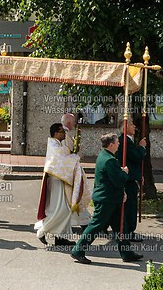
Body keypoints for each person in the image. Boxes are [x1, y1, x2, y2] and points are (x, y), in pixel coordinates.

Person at [71, 134, 144, 264]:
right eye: (117, 143)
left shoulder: (105, 156)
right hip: (107, 199)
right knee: (96, 225)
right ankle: (78, 250)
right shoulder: (109, 160)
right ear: (111, 145)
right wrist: (124, 172)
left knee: (121, 227)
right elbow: (118, 180)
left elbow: (111, 177)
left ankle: (126, 253)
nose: (119, 144)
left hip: (112, 199)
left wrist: (120, 176)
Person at [35, 123, 82, 246]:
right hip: (56, 180)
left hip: (62, 180)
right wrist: (75, 157)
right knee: (61, 210)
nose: (64, 134)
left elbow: (67, 154)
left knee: (64, 209)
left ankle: (60, 238)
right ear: (56, 133)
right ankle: (42, 231)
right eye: (62, 132)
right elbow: (61, 161)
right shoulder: (53, 145)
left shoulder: (59, 144)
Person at [116, 120, 146, 242]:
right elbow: (137, 157)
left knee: (128, 205)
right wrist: (142, 147)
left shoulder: (126, 140)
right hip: (128, 179)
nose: (134, 126)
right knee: (130, 206)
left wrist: (139, 175)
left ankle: (125, 230)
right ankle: (128, 231)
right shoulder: (125, 141)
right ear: (125, 127)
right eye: (131, 124)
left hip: (130, 177)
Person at [61, 113, 92, 230]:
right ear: (69, 123)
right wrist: (77, 156)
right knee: (74, 197)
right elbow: (66, 156)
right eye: (74, 122)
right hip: (69, 174)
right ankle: (84, 225)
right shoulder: (63, 136)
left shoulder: (65, 134)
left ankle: (83, 222)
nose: (75, 124)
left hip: (70, 173)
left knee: (74, 198)